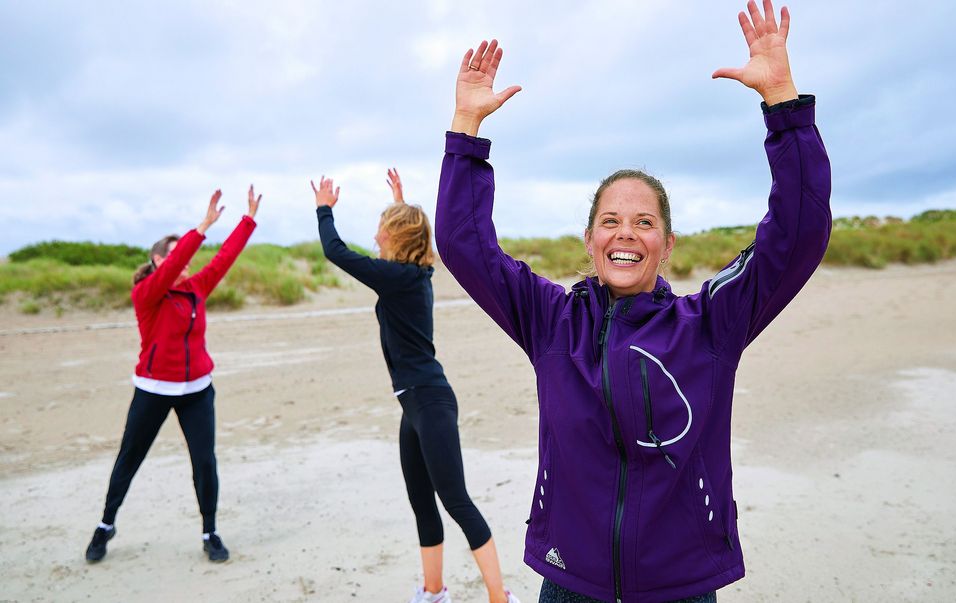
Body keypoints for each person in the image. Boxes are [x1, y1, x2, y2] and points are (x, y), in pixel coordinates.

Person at [434, 1, 831, 601]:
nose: (626, 233)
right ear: (590, 241)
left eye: (643, 222)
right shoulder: (551, 322)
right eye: (611, 221)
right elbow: (465, 244)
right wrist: (466, 130)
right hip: (571, 582)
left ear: (666, 245)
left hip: (682, 585)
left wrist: (783, 103)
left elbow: (797, 234)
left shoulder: (710, 325)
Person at [312, 169, 520, 603]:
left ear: (395, 237)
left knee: (456, 501)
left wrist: (324, 210)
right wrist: (401, 204)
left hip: (429, 401)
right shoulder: (413, 276)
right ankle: (433, 591)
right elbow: (408, 246)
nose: (374, 234)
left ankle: (500, 597)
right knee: (422, 503)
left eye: (382, 228)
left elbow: (334, 251)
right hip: (415, 404)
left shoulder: (401, 280)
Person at [85, 187, 261, 563]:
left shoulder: (196, 287)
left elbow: (225, 259)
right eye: (174, 253)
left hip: (198, 389)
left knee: (204, 462)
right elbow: (178, 259)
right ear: (156, 259)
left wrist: (247, 221)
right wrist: (202, 227)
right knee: (129, 458)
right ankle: (105, 525)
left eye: (184, 253)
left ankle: (209, 531)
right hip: (153, 389)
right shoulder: (147, 293)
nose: (185, 259)